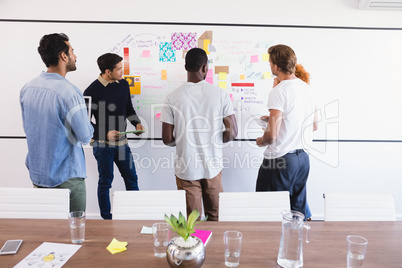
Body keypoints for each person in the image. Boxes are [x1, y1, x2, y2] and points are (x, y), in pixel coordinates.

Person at [161, 48, 238, 221]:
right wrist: (215, 141)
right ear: (205, 68)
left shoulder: (172, 97)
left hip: (186, 169)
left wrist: (183, 141)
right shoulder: (220, 94)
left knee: (191, 222)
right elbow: (232, 132)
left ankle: (194, 248)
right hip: (213, 167)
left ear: (185, 67)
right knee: (216, 217)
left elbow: (167, 139)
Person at [20, 33, 94, 212]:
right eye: (72, 51)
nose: (75, 56)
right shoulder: (69, 92)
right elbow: (85, 136)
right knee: (74, 233)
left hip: (39, 176)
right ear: (63, 56)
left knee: (47, 231)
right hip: (67, 178)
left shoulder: (27, 88)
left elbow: (29, 129)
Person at [256, 44, 318, 219]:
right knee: (297, 213)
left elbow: (272, 136)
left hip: (280, 161)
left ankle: (269, 245)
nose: (269, 66)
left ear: (276, 66)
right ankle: (295, 244)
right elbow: (314, 125)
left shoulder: (279, 90)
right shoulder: (306, 88)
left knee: (267, 209)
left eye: (270, 63)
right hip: (303, 159)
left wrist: (260, 140)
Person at [84, 53, 145, 220]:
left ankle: (135, 216)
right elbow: (85, 123)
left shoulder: (123, 85)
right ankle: (106, 220)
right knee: (105, 183)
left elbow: (129, 110)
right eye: (119, 69)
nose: (122, 72)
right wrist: (104, 133)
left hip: (122, 144)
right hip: (103, 145)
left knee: (132, 179)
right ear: (107, 71)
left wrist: (136, 123)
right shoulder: (92, 91)